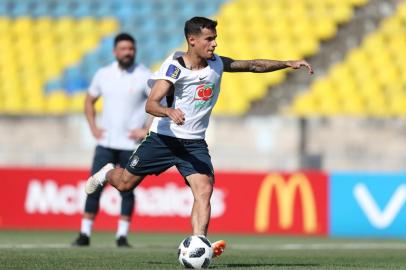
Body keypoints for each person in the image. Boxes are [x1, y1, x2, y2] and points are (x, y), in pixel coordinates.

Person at [84, 17, 313, 256]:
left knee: (204, 190)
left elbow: (253, 65)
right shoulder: (175, 67)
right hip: (164, 138)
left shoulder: (216, 64)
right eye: (209, 39)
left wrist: (287, 63)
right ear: (192, 41)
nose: (214, 44)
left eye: (215, 39)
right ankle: (106, 172)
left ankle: (199, 245)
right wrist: (168, 111)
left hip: (194, 143)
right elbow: (151, 104)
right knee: (123, 184)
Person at [72, 33, 152, 247]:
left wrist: (146, 129)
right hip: (106, 142)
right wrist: (93, 127)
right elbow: (89, 101)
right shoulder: (103, 74)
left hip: (131, 145)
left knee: (128, 190)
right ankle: (84, 233)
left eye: (131, 49)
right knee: (94, 186)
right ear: (115, 51)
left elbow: (158, 102)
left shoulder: (145, 75)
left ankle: (122, 235)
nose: (128, 52)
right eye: (124, 49)